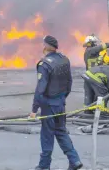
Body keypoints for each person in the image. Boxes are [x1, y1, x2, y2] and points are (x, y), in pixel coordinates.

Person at [30, 35, 83, 170]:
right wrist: (62, 98)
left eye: (44, 44)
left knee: (47, 135)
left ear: (47, 46)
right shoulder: (64, 59)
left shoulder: (44, 64)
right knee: (61, 131)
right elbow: (69, 82)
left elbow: (40, 88)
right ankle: (74, 160)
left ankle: (44, 165)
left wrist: (34, 110)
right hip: (60, 103)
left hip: (48, 105)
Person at [83, 35, 109, 112]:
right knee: (102, 95)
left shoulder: (93, 53)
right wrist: (107, 44)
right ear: (91, 43)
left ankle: (88, 114)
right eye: (95, 42)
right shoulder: (90, 51)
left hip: (90, 76)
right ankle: (100, 113)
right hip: (95, 77)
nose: (96, 44)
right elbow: (101, 47)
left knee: (90, 97)